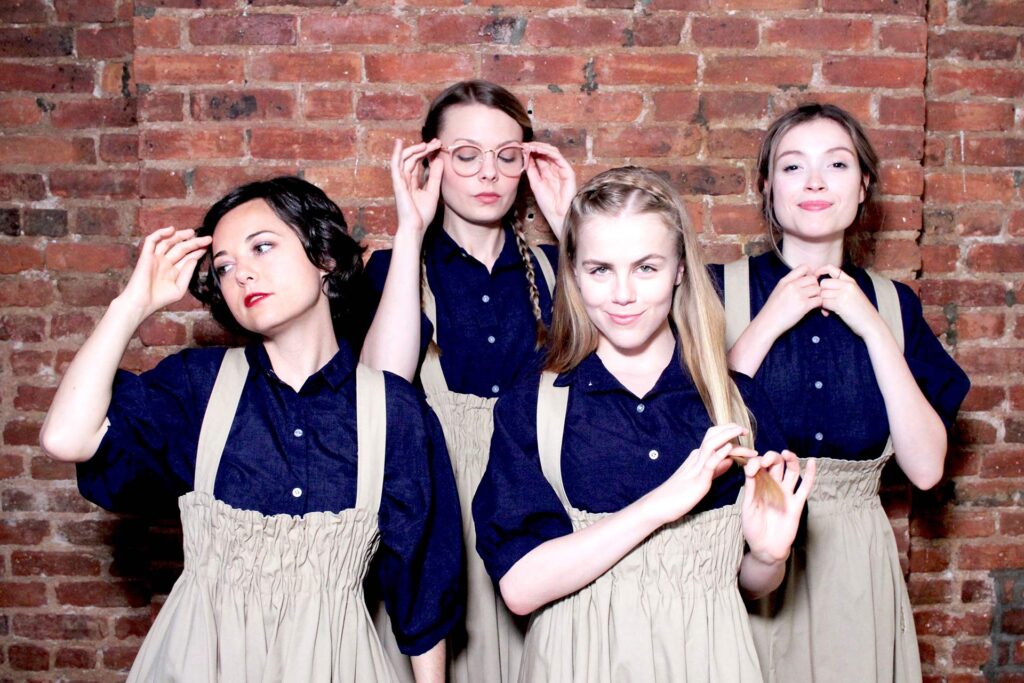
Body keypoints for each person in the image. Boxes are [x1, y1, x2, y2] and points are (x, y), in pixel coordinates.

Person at [38, 177, 463, 683]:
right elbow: (65, 438)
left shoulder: (395, 411)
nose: (242, 275)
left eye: (262, 247)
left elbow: (423, 589)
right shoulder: (196, 387)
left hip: (337, 664)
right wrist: (130, 305)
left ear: (324, 257)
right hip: (201, 661)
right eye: (224, 267)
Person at [473, 166, 815, 682]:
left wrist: (769, 556)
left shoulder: (738, 404)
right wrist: (662, 503)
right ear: (573, 272)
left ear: (680, 269)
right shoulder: (534, 405)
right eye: (600, 269)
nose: (623, 294)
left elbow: (752, 585)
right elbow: (519, 588)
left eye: (647, 268)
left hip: (709, 659)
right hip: (576, 662)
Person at [711, 103, 971, 682]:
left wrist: (872, 327)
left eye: (836, 164)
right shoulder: (717, 291)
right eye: (792, 166)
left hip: (855, 565)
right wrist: (767, 323)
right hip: (742, 552)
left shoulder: (894, 305)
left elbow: (926, 469)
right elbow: (694, 435)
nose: (815, 181)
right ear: (767, 187)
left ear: (863, 189)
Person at [361, 80, 576, 682]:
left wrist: (572, 229)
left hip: (535, 509)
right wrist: (410, 228)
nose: (489, 173)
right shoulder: (393, 266)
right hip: (427, 505)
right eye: (466, 155)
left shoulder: (560, 267)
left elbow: (609, 375)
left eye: (507, 157)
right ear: (432, 161)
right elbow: (383, 388)